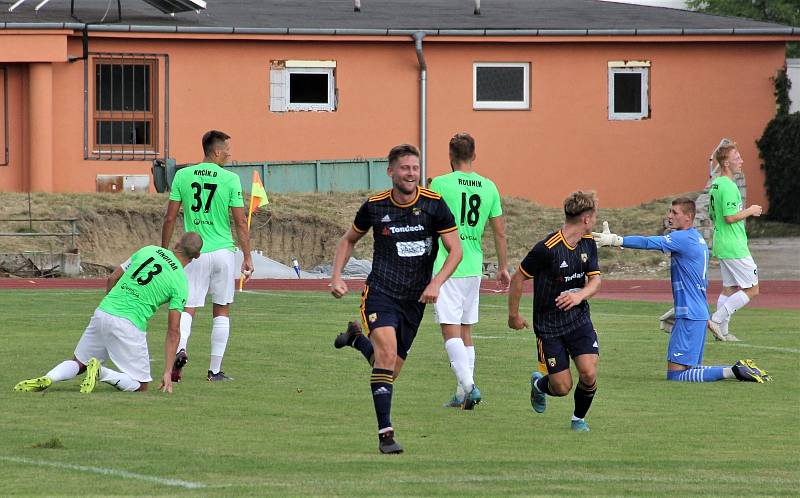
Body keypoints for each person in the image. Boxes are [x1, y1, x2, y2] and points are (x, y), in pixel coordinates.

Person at [330, 144, 462, 454]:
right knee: (386, 357)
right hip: (381, 293)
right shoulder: (375, 206)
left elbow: (456, 250)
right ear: (391, 171)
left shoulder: (434, 204)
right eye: (405, 168)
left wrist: (437, 282)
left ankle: (356, 339)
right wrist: (336, 276)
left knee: (387, 368)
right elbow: (349, 240)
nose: (411, 174)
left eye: (415, 168)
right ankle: (386, 435)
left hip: (415, 300)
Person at [592, 197, 772, 383]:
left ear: (688, 217)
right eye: (669, 211)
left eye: (674, 213)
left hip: (690, 316)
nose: (669, 216)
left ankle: (734, 371)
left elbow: (649, 243)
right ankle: (736, 370)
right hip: (695, 313)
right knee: (689, 370)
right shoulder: (696, 238)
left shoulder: (682, 238)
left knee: (677, 375)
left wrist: (615, 240)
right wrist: (692, 313)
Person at [13, 233, 202, 394]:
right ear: (197, 256)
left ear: (177, 243)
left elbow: (113, 277)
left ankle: (48, 378)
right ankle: (100, 372)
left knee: (79, 363)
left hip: (104, 310)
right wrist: (168, 371)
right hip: (129, 323)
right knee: (141, 385)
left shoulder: (149, 250)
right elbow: (173, 331)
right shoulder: (180, 282)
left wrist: (109, 306)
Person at [161, 130, 254, 382]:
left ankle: (181, 349)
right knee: (222, 309)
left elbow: (170, 217)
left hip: (194, 253)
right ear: (216, 151)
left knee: (187, 307)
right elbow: (240, 223)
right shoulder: (230, 179)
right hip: (223, 252)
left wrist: (164, 249)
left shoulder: (183, 175)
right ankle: (214, 371)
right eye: (226, 150)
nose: (229, 154)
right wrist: (247, 256)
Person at [507, 191, 601, 433]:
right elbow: (518, 278)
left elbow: (595, 281)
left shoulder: (588, 242)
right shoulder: (547, 249)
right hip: (549, 328)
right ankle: (540, 385)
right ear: (586, 219)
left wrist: (579, 295)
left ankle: (578, 419)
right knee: (561, 387)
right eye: (594, 216)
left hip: (579, 320)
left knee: (589, 373)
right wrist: (513, 316)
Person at [428, 132, 509, 410]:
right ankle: (463, 394)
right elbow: (500, 233)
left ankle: (470, 387)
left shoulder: (439, 183)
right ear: (474, 155)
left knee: (450, 331)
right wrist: (504, 267)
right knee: (466, 331)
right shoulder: (489, 187)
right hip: (473, 266)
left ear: (450, 156)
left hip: (447, 265)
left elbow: (427, 220)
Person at [707, 139, 761, 342]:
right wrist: (751, 210)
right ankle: (716, 319)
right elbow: (730, 217)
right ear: (726, 163)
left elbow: (714, 215)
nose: (741, 161)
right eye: (737, 158)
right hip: (734, 245)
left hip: (722, 243)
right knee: (752, 289)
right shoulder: (728, 186)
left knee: (729, 288)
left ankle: (723, 331)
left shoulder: (716, 185)